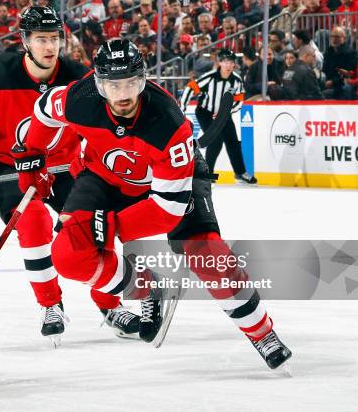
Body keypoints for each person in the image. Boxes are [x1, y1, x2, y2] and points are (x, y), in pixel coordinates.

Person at [15, 39, 292, 368]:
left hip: (175, 183)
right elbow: (44, 111)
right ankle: (147, 287)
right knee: (68, 256)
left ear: (143, 80)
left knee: (208, 254)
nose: (123, 96)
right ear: (98, 83)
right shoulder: (81, 97)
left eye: (131, 83)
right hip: (103, 176)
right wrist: (32, 154)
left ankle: (261, 332)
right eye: (112, 86)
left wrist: (109, 226)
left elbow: (166, 211)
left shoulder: (167, 123)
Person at [0, 6, 141, 345]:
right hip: (7, 165)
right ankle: (51, 305)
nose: (50, 46)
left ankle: (110, 305)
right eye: (41, 38)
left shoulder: (79, 78)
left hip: (62, 166)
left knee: (91, 228)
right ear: (25, 41)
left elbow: (105, 127)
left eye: (55, 38)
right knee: (31, 222)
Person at [180, 49, 256, 185]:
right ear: (220, 63)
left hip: (224, 115)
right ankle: (207, 175)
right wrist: (182, 109)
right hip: (205, 112)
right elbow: (190, 88)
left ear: (234, 65)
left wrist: (226, 112)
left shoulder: (237, 81)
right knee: (215, 141)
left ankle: (240, 173)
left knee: (233, 142)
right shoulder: (210, 78)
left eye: (231, 62)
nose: (228, 65)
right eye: (225, 62)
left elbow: (239, 102)